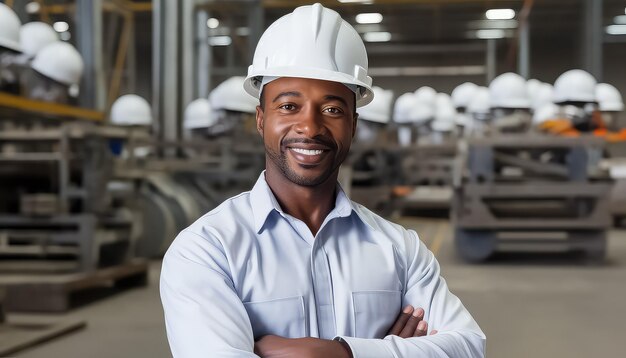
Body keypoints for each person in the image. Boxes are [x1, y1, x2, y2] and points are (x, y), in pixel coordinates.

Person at [160, 3, 485, 358]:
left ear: (354, 124)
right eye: (288, 106)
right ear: (260, 118)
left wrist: (339, 353)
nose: (311, 127)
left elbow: (468, 346)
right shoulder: (207, 251)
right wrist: (389, 351)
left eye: (332, 110)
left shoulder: (400, 250)